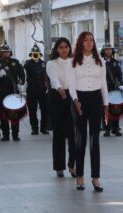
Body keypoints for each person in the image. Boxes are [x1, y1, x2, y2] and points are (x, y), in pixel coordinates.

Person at [68, 32, 109, 192]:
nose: (89, 43)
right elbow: (71, 85)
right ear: (80, 43)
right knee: (80, 139)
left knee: (95, 139)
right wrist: (76, 101)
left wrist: (106, 104)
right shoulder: (73, 62)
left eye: (91, 40)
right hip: (79, 99)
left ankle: (96, 178)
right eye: (86, 40)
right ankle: (80, 176)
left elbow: (104, 84)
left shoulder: (100, 62)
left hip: (96, 99)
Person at [46, 37, 76, 178]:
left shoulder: (75, 62)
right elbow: (53, 78)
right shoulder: (51, 63)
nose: (64, 50)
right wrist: (59, 88)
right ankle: (59, 166)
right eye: (61, 47)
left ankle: (72, 165)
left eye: (66, 47)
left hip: (72, 96)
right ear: (57, 49)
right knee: (58, 133)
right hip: (57, 97)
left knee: (73, 133)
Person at [0, 40, 25, 141]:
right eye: (4, 52)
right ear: (1, 53)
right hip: (2, 92)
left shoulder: (15, 62)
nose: (6, 53)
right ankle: (5, 134)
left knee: (15, 113)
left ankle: (15, 134)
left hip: (13, 91)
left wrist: (21, 83)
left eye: (7, 52)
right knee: (4, 114)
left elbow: (22, 74)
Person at [23, 43, 49, 135]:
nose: (35, 55)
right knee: (32, 110)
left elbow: (47, 75)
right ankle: (34, 128)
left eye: (36, 53)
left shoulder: (43, 64)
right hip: (31, 90)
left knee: (44, 109)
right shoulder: (28, 63)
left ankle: (43, 128)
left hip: (42, 89)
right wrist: (32, 60)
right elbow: (25, 67)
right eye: (33, 53)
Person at [101, 43, 123, 137]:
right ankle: (107, 129)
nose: (108, 51)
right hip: (104, 89)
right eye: (106, 49)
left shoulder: (115, 62)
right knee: (106, 110)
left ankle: (115, 129)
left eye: (110, 49)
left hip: (114, 89)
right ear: (103, 51)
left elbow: (119, 75)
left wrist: (121, 84)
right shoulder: (100, 62)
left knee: (116, 110)